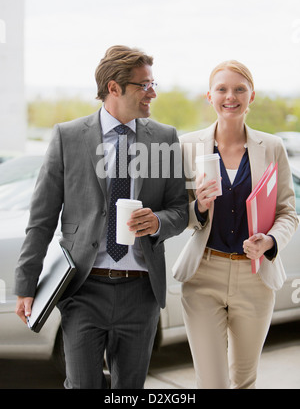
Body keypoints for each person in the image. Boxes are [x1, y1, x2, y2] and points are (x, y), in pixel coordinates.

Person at [14, 45, 189, 389]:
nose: (152, 93)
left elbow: (180, 210)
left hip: (141, 292)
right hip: (83, 288)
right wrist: (25, 285)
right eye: (144, 85)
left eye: (153, 84)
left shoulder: (165, 138)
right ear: (114, 87)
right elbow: (42, 218)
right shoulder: (68, 137)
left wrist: (157, 222)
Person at [172, 60, 299, 389]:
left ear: (251, 96)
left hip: (255, 278)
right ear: (209, 96)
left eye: (240, 89)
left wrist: (269, 241)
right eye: (222, 89)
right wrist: (198, 207)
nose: (231, 96)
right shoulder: (186, 146)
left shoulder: (272, 147)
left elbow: (288, 212)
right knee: (211, 382)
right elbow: (174, 213)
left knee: (244, 380)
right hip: (203, 276)